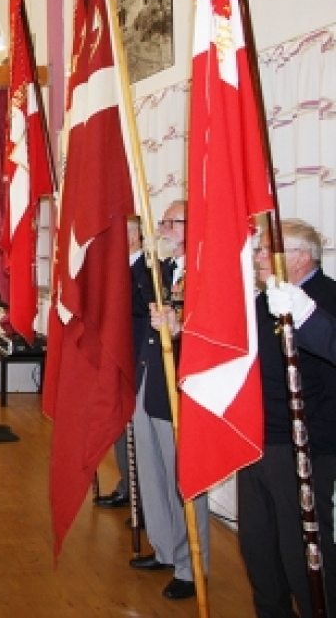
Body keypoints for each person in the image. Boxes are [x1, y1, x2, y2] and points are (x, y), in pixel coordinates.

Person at [240, 219, 336, 616]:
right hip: (254, 438)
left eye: (264, 251)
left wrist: (305, 315)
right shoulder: (265, 302)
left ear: (297, 257)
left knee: (302, 553)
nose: (258, 258)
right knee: (259, 546)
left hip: (304, 444)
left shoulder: (327, 298)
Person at [129, 201, 210, 600]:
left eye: (171, 222)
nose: (163, 228)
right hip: (150, 379)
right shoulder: (162, 270)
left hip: (180, 385)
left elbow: (210, 331)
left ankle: (192, 565)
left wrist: (179, 331)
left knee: (184, 477)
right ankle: (164, 547)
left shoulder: (205, 271)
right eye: (162, 222)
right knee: (152, 471)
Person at [97, 217, 145, 510]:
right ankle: (128, 484)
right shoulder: (112, 270)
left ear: (135, 235)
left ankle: (143, 495)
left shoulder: (148, 270)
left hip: (138, 356)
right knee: (119, 425)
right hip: (115, 356)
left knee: (139, 429)